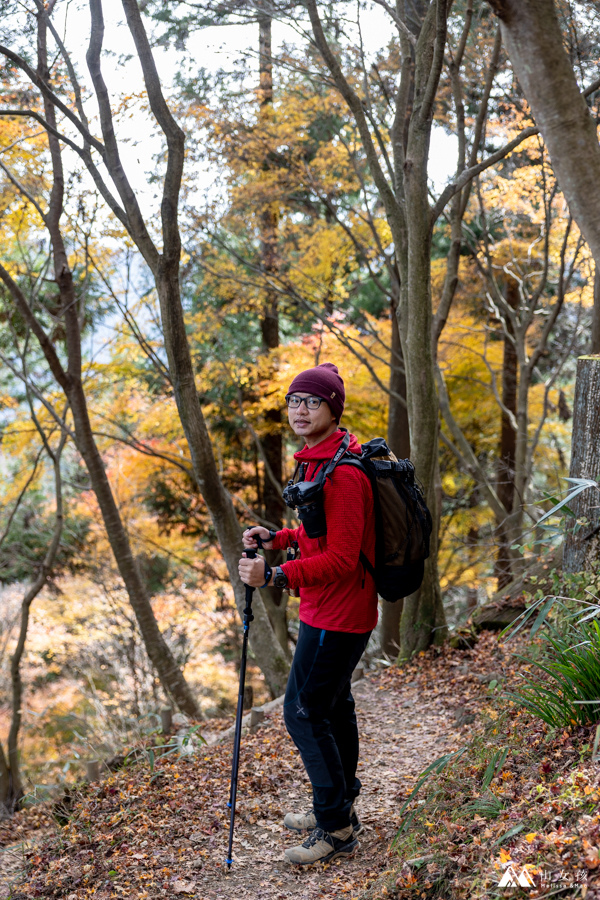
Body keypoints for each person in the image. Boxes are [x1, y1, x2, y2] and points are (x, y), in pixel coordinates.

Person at [238, 361, 378, 866]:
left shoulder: (342, 474)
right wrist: (277, 538)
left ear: (332, 408)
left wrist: (274, 576)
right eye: (294, 400)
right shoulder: (320, 462)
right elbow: (321, 538)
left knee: (304, 714)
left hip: (342, 614)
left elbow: (342, 559)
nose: (300, 409)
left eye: (311, 401)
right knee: (332, 707)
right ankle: (340, 807)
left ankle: (336, 826)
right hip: (323, 610)